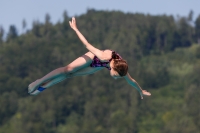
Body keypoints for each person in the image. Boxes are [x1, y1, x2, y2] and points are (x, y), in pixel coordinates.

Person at [28, 17, 151, 99]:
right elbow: (86, 44)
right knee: (68, 70)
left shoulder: (121, 69)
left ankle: (44, 86)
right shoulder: (104, 56)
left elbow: (132, 81)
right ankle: (38, 82)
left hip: (98, 66)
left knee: (70, 75)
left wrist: (140, 91)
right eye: (115, 75)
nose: (115, 78)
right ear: (113, 67)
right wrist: (76, 29)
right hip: (93, 58)